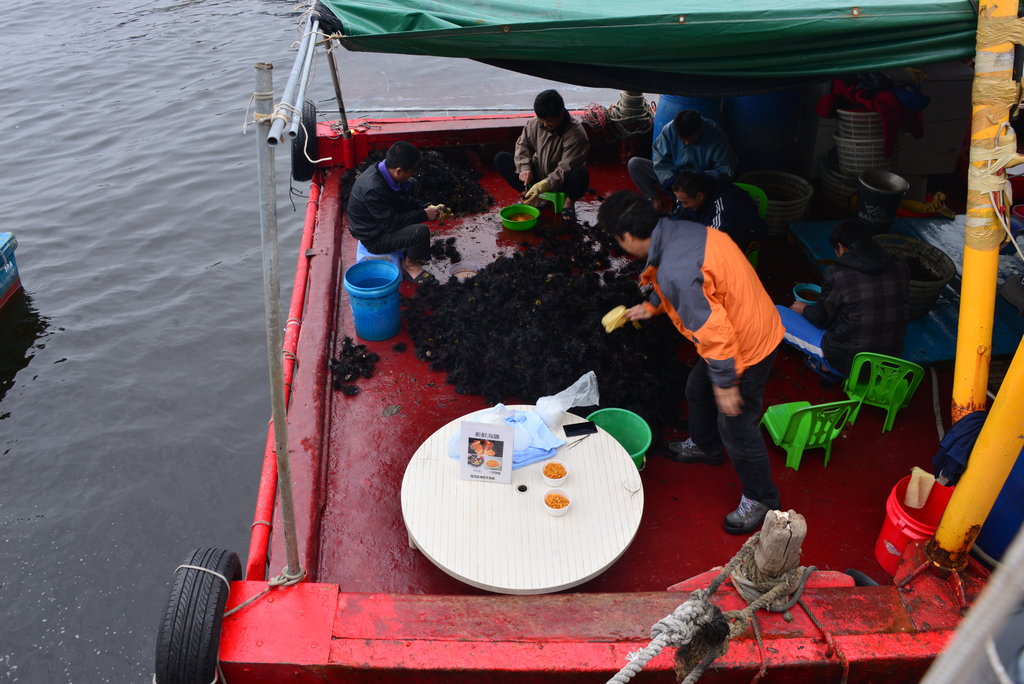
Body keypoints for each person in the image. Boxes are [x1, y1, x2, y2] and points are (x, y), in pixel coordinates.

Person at [599, 190, 783, 534]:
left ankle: (762, 498)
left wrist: (726, 384)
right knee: (697, 388)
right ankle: (705, 445)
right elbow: (691, 281)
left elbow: (713, 330)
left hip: (746, 344)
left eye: (617, 239)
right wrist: (653, 305)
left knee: (737, 424)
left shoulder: (677, 271)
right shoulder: (681, 231)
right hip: (742, 322)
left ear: (627, 236)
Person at [777, 218, 910, 378]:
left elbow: (821, 320)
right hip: (890, 359)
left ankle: (828, 366)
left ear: (841, 247)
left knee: (777, 314)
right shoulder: (900, 265)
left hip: (847, 362)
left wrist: (803, 308)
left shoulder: (839, 274)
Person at [347, 141, 443, 284]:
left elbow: (400, 198)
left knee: (411, 183)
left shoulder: (381, 170)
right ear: (398, 171)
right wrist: (423, 214)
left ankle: (409, 247)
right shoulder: (373, 190)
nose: (413, 173)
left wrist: (423, 206)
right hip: (373, 237)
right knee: (420, 232)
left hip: (382, 219)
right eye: (412, 170)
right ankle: (409, 265)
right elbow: (392, 225)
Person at [494, 89, 590, 209]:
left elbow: (565, 169)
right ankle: (528, 195)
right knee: (501, 159)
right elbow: (523, 146)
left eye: (549, 121)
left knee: (580, 175)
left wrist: (543, 185)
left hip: (562, 180)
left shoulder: (576, 135)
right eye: (541, 120)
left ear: (561, 114)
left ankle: (568, 202)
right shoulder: (534, 123)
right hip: (539, 172)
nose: (544, 125)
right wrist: (524, 168)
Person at [628, 109, 737, 214]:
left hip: (700, 182)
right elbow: (660, 161)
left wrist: (703, 180)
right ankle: (655, 199)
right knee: (635, 164)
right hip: (676, 176)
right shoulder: (669, 130)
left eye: (689, 138)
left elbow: (725, 167)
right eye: (682, 139)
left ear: (700, 128)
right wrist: (671, 181)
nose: (686, 143)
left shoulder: (715, 133)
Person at [670, 172, 768, 253]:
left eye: (685, 202)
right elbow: (677, 220)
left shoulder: (727, 202)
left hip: (743, 237)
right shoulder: (690, 195)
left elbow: (714, 239)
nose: (683, 205)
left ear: (700, 196)